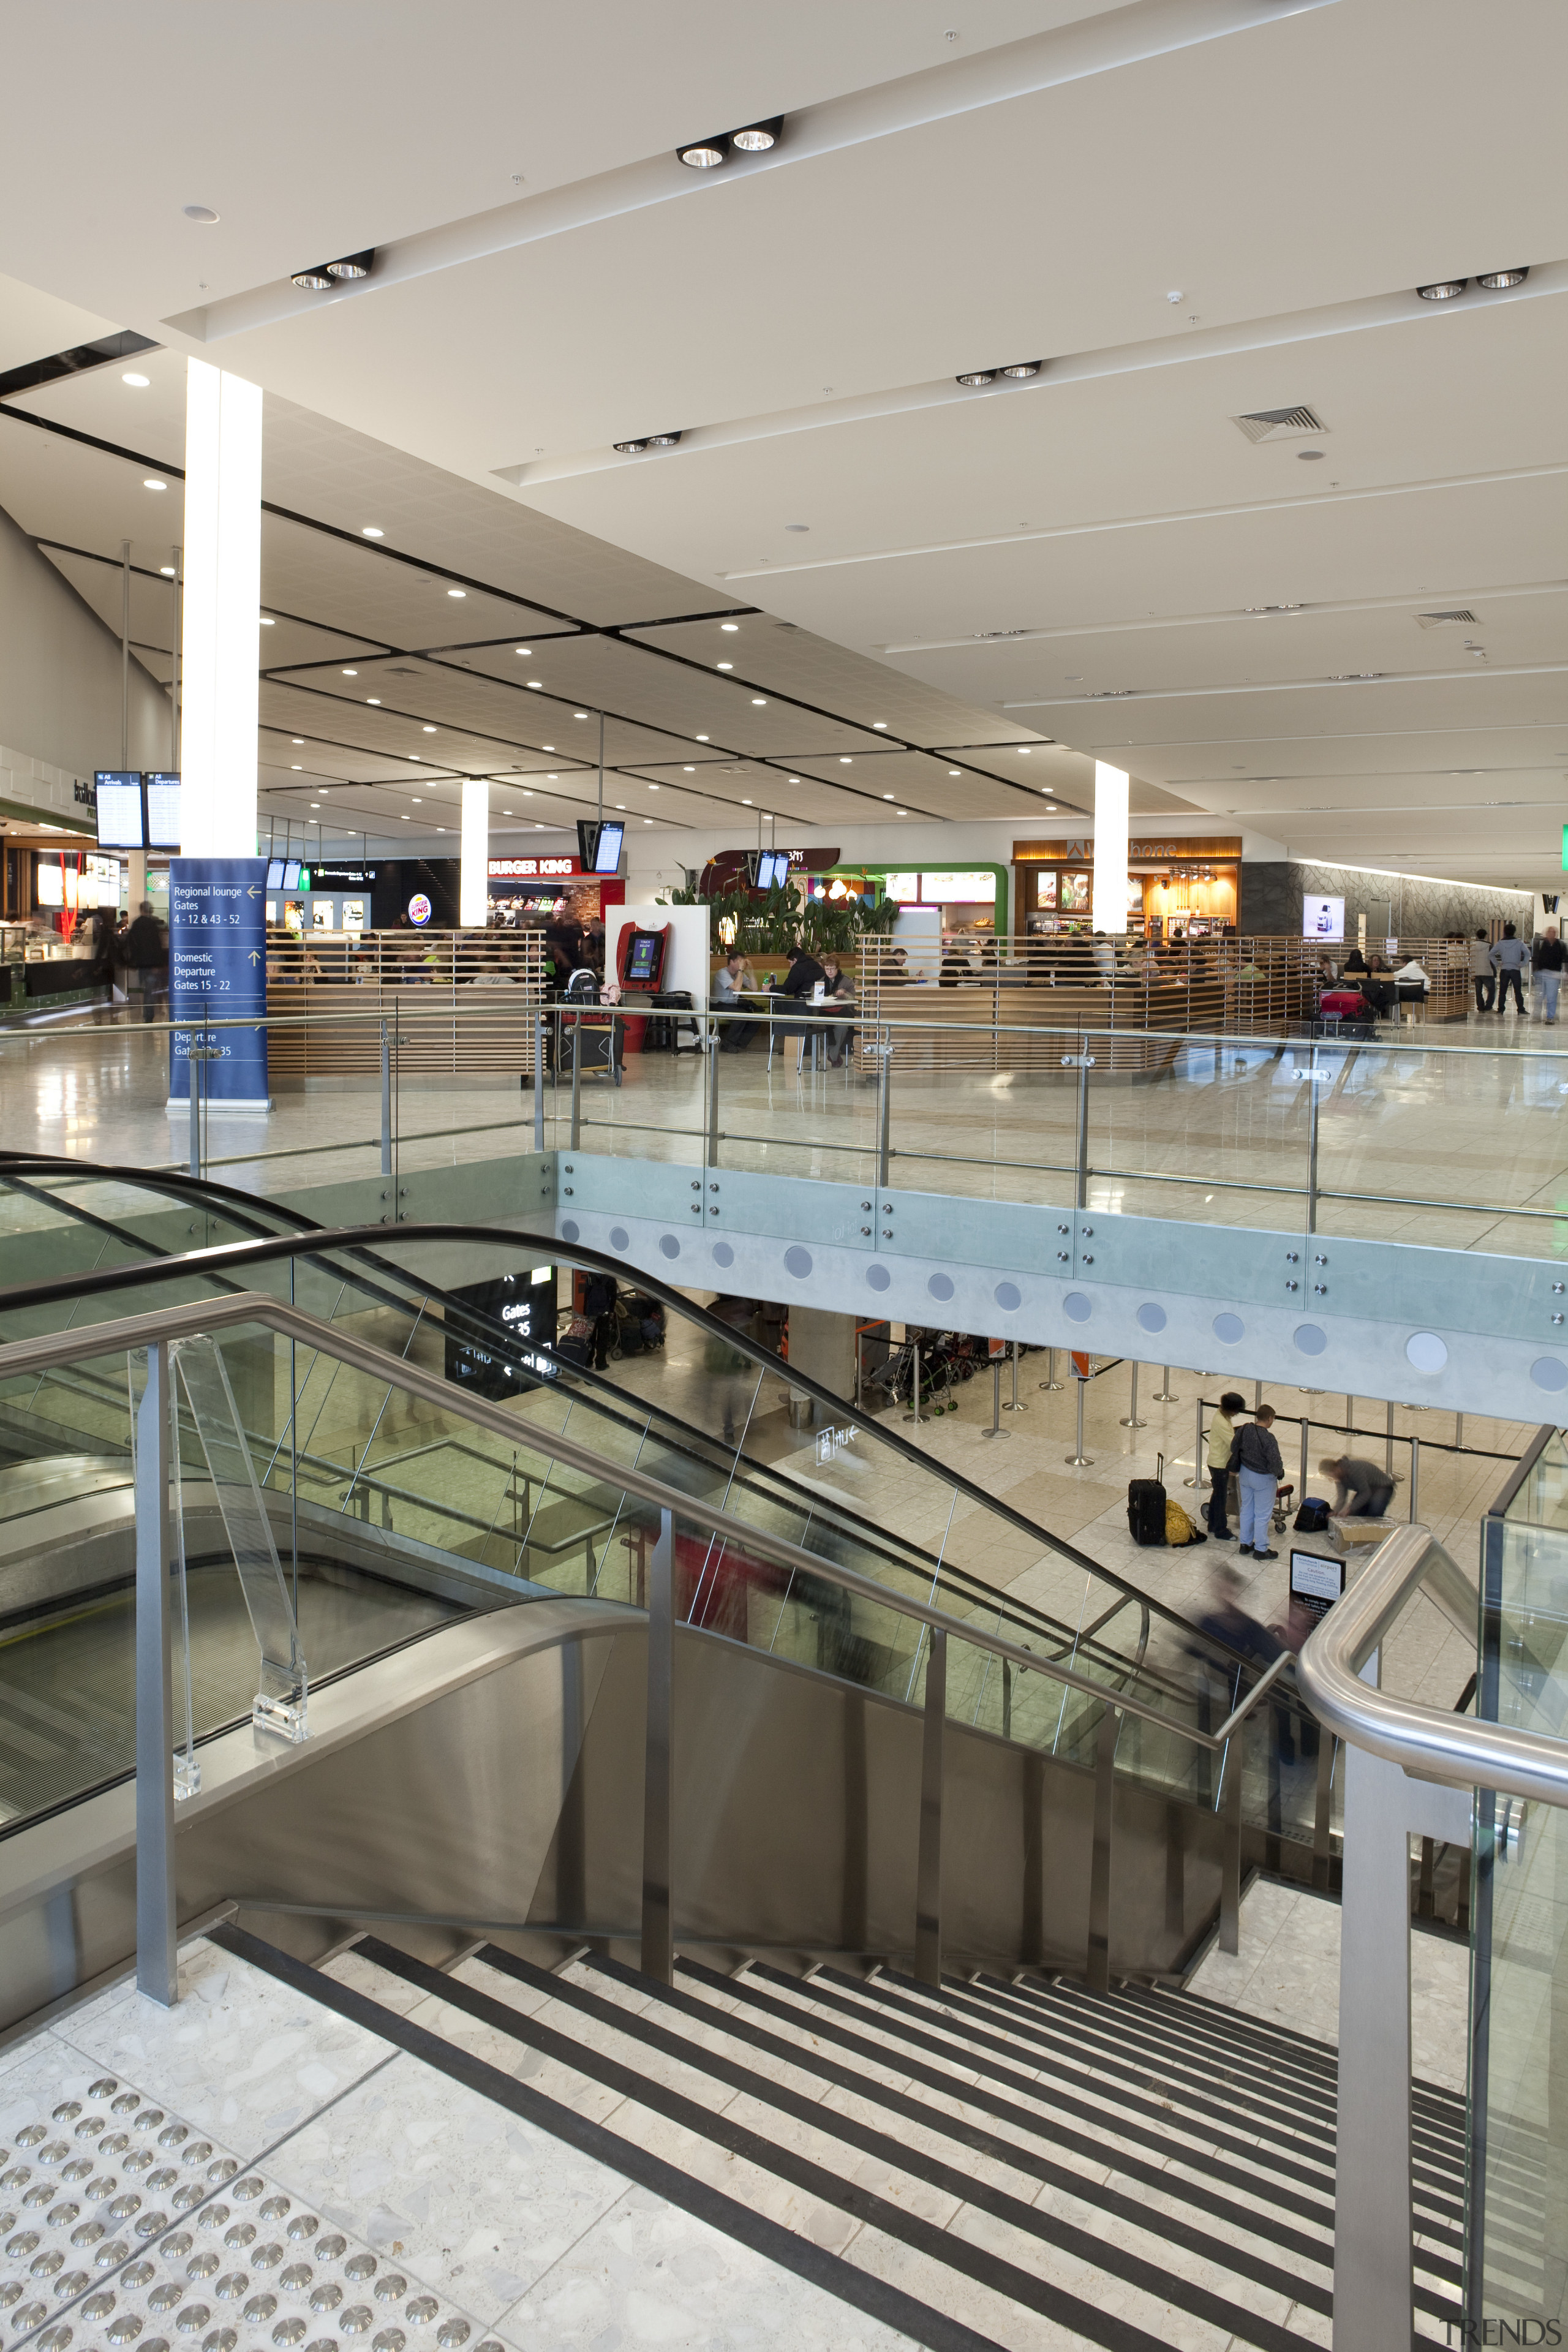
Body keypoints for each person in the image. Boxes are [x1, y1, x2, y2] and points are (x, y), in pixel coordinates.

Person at [1229, 1403, 1284, 1559]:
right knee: (1262, 1514)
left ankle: (1245, 1545)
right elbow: (1275, 1462)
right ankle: (1261, 1549)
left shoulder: (1244, 1429)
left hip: (1245, 1475)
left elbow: (1234, 1447)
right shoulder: (1269, 1438)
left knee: (1246, 1509)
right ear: (1269, 1419)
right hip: (1263, 1480)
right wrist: (1280, 1473)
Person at [1202, 1391, 1246, 1542]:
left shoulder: (1223, 1415)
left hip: (1218, 1462)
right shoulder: (1221, 1422)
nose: (1236, 1414)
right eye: (1235, 1410)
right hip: (1220, 1464)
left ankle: (1213, 1524)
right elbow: (1233, 1444)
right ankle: (1221, 1530)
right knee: (1222, 1498)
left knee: (1218, 1494)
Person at [123, 899, 167, 1023]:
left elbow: (131, 944)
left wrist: (133, 960)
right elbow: (157, 945)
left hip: (141, 963)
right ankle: (149, 1015)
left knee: (145, 989)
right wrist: (159, 963)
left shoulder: (136, 924)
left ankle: (146, 1014)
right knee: (150, 990)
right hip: (152, 963)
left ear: (141, 910)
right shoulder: (153, 924)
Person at [1318, 1453, 1396, 1518]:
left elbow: (1365, 1493)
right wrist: (1335, 1512)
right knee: (1355, 1515)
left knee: (1374, 1513)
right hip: (1367, 1488)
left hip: (1383, 1487)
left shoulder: (1354, 1470)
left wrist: (1349, 1509)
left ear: (1334, 1470)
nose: (1331, 1479)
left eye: (1329, 1476)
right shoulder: (1339, 1478)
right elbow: (1342, 1498)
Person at [713, 950, 760, 1051]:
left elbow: (754, 988)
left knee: (756, 1020)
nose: (742, 964)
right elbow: (737, 988)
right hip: (718, 1004)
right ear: (731, 962)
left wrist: (750, 970)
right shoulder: (722, 973)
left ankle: (738, 1045)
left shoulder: (739, 974)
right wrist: (741, 970)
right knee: (740, 1017)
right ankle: (727, 1044)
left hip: (732, 1005)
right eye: (739, 961)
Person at [819, 953, 856, 1066]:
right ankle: (834, 1054)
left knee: (842, 1027)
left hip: (842, 1013)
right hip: (825, 1013)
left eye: (832, 969)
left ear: (838, 968)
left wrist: (844, 994)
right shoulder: (821, 981)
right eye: (827, 969)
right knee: (818, 1027)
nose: (829, 971)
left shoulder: (846, 981)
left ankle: (833, 1055)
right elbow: (815, 996)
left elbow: (854, 1000)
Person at [1491, 922, 1529, 1016]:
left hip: (1504, 969)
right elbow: (1528, 953)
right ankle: (1521, 1009)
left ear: (1505, 932)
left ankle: (1501, 1009)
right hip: (1515, 969)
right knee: (1518, 991)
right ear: (1514, 932)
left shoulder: (1500, 943)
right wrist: (1523, 963)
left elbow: (1491, 954)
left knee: (1502, 991)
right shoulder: (1519, 943)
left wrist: (1497, 963)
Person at [1534, 924, 1566, 1025]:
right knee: (1540, 996)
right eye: (1549, 932)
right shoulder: (1542, 944)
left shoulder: (1560, 945)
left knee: (1551, 997)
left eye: (1553, 932)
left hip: (1554, 974)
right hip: (1542, 973)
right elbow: (1537, 957)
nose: (1551, 934)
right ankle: (1537, 1015)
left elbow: (1565, 959)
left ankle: (1550, 1017)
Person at [1469, 929, 1496, 1014]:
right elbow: (1492, 960)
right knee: (1491, 990)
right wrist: (1495, 971)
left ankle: (1480, 1007)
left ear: (1477, 936)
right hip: (1487, 970)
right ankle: (1488, 1007)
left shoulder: (1472, 945)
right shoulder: (1489, 946)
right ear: (1486, 936)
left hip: (1475, 970)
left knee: (1478, 991)